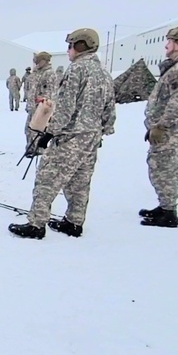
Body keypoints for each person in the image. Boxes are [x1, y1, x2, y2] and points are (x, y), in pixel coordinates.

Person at [9, 28, 115, 239]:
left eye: (70, 45)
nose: (68, 50)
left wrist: (50, 132)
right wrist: (103, 129)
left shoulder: (76, 69)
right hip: (92, 136)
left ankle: (36, 224)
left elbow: (66, 106)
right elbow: (110, 107)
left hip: (71, 135)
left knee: (47, 178)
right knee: (80, 180)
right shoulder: (104, 73)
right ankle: (74, 222)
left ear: (80, 46)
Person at [141, 26, 178, 228]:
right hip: (165, 129)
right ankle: (165, 206)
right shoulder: (176, 67)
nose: (166, 45)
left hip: (170, 131)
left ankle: (169, 213)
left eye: (170, 41)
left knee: (164, 168)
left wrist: (161, 126)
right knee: (159, 167)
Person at [26, 52, 58, 152]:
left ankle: (37, 149)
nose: (36, 64)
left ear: (44, 61)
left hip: (41, 108)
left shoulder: (49, 74)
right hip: (33, 107)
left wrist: (44, 102)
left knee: (38, 131)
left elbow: (50, 92)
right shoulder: (37, 73)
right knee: (28, 130)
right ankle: (31, 148)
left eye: (38, 62)